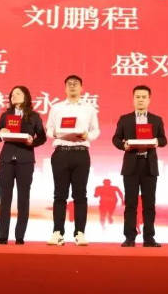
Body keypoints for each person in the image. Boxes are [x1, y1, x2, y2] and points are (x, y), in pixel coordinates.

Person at [45, 75, 99, 246]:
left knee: (80, 194)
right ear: (65, 88)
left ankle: (80, 233)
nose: (73, 86)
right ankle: (57, 233)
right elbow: (49, 129)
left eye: (76, 84)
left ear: (82, 88)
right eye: (69, 84)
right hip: (61, 152)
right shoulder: (56, 107)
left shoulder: (89, 108)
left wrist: (87, 135)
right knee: (59, 194)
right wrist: (55, 133)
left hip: (81, 152)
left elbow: (95, 130)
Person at [111, 85, 168, 247]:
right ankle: (129, 237)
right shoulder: (125, 119)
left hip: (149, 165)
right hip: (131, 164)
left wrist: (156, 142)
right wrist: (124, 145)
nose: (140, 99)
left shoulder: (156, 119)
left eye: (144, 97)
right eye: (137, 97)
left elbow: (163, 140)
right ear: (133, 99)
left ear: (149, 99)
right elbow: (116, 139)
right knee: (130, 204)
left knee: (149, 204)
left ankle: (149, 238)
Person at [0, 85, 47, 245]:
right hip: (6, 160)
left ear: (26, 96)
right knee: (5, 198)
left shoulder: (34, 116)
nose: (13, 96)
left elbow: (42, 137)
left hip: (25, 159)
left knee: (23, 198)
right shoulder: (6, 115)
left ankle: (20, 236)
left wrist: (32, 142)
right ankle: (3, 236)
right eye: (12, 94)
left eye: (18, 93)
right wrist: (1, 132)